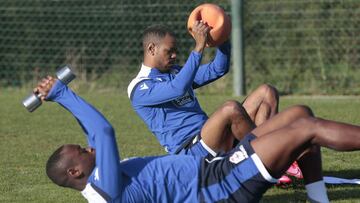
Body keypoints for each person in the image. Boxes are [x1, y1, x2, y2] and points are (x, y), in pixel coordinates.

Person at [41, 75, 360, 203]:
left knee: (299, 113)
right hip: (223, 187)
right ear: (75, 172)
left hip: (217, 168)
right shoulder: (103, 188)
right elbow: (104, 131)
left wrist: (61, 99)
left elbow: (93, 132)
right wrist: (62, 93)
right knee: (307, 128)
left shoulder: (96, 176)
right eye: (81, 151)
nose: (88, 146)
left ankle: (318, 198)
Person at [127, 22, 279, 157]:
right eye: (169, 51)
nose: (174, 55)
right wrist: (199, 48)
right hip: (190, 149)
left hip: (211, 134)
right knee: (230, 109)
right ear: (151, 49)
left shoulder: (176, 72)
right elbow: (178, 88)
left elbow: (218, 69)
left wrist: (222, 38)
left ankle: (270, 159)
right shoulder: (140, 87)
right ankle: (270, 155)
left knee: (267, 92)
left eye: (175, 51)